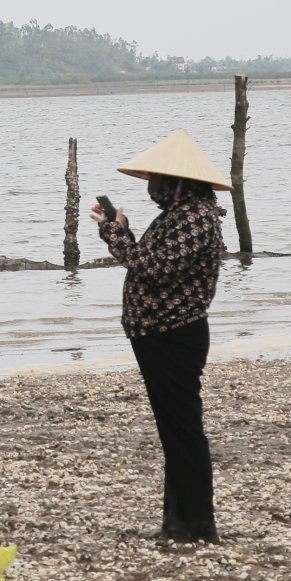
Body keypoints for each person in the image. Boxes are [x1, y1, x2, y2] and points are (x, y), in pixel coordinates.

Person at [91, 129, 229, 543]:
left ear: (176, 182)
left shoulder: (195, 217)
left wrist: (116, 234)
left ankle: (197, 524)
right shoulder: (182, 214)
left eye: (156, 179)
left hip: (174, 335)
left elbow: (152, 267)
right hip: (160, 334)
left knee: (182, 429)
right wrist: (122, 232)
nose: (151, 186)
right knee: (175, 430)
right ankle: (179, 522)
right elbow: (151, 262)